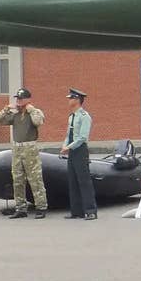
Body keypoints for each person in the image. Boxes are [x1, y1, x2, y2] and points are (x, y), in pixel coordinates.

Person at [0, 87, 48, 219]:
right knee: (17, 179)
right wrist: (6, 109)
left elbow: (38, 121)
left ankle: (41, 207)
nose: (18, 101)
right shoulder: (15, 115)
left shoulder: (34, 112)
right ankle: (20, 208)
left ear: (28, 100)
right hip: (17, 149)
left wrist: (30, 108)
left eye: (21, 99)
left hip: (30, 148)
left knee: (35, 179)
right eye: (17, 98)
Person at [63, 87, 97, 220]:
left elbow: (82, 137)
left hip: (80, 150)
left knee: (84, 181)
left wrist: (69, 147)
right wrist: (64, 145)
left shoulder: (84, 117)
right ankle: (76, 211)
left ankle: (90, 210)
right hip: (72, 151)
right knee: (73, 181)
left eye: (71, 98)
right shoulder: (72, 117)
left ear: (77, 100)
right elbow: (69, 134)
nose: (69, 100)